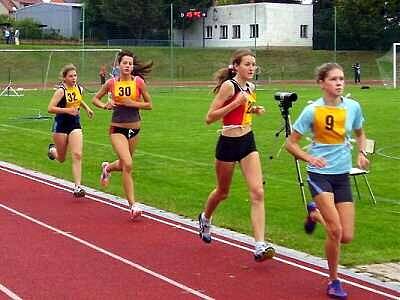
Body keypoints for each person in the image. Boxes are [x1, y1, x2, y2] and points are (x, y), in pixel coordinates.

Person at [285, 62, 369, 299]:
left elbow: (361, 135)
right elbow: (290, 144)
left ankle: (314, 214)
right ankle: (334, 280)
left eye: (341, 78)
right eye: (333, 79)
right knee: (335, 230)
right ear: (321, 83)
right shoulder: (312, 111)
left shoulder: (353, 107)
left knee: (346, 236)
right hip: (319, 176)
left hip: (342, 176)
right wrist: (309, 157)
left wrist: (362, 154)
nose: (339, 83)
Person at [198, 48, 275, 262]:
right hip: (228, 143)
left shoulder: (251, 87)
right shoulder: (228, 86)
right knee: (223, 192)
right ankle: (205, 218)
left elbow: (243, 110)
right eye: (247, 64)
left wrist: (253, 109)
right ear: (236, 66)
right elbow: (210, 117)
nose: (251, 68)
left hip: (247, 141)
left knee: (258, 192)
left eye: (253, 64)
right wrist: (235, 102)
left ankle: (259, 245)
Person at [91, 50, 153, 220]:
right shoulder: (111, 83)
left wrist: (132, 103)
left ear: (133, 67)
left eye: (130, 64)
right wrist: (105, 105)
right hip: (117, 128)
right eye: (125, 63)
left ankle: (107, 168)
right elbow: (95, 99)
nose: (127, 66)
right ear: (119, 65)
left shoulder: (138, 82)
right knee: (128, 163)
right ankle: (133, 205)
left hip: (134, 128)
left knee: (125, 164)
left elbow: (149, 104)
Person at [47, 64, 94, 197]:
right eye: (71, 76)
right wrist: (67, 110)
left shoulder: (79, 88)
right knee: (61, 158)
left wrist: (87, 108)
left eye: (75, 75)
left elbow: (79, 100)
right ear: (64, 78)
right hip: (61, 125)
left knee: (77, 154)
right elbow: (50, 108)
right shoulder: (61, 91)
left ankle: (78, 187)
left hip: (75, 124)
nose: (74, 78)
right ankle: (52, 151)